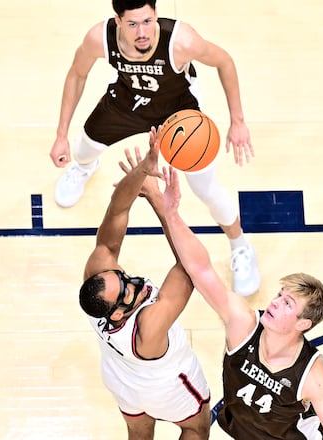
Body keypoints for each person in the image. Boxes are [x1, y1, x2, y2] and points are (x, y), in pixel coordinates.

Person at [50, 0, 261, 296]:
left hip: (178, 112)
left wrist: (237, 121)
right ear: (118, 21)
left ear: (156, 15)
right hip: (126, 102)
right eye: (133, 24)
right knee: (82, 150)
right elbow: (77, 73)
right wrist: (61, 133)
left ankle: (240, 246)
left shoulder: (182, 41)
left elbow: (224, 61)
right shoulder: (100, 38)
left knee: (206, 189)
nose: (142, 33)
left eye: (148, 21)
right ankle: (85, 168)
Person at [157, 163, 323, 439]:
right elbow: (201, 270)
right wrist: (172, 214)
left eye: (288, 304)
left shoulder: (312, 375)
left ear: (303, 323)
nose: (274, 303)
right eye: (279, 296)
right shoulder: (243, 324)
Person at [78, 128, 211, 439]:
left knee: (138, 433)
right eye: (126, 289)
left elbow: (117, 209)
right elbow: (189, 266)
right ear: (116, 314)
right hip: (164, 387)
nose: (130, 279)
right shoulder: (148, 326)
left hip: (122, 380)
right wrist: (157, 199)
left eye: (121, 275)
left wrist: (142, 171)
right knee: (196, 428)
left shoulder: (97, 282)